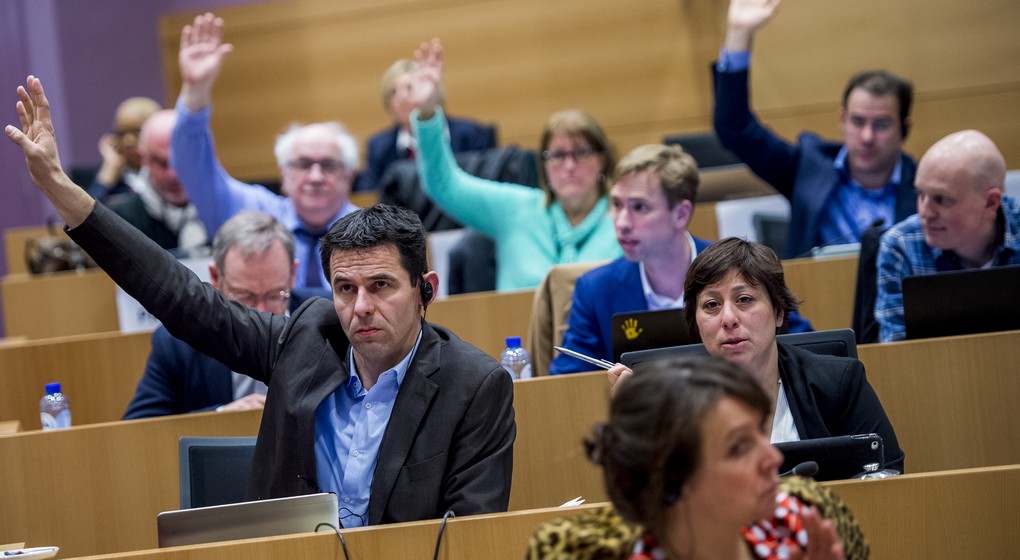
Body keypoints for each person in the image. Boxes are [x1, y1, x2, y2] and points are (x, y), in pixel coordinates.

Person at [7, 74, 515, 527]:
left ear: (426, 289)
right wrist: (59, 187)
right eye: (345, 288)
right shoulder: (308, 340)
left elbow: (471, 535)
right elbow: (177, 293)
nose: (360, 306)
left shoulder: (474, 385)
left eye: (380, 286)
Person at [609, 237, 904, 472]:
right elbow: (646, 500)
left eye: (744, 299)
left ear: (778, 312)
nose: (728, 318)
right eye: (711, 305)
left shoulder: (839, 384)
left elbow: (887, 473)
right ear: (696, 323)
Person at [557, 355, 863, 559]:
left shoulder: (802, 520)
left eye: (760, 431)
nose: (772, 457)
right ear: (673, 479)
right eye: (738, 448)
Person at [550, 145, 813, 374]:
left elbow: (805, 349)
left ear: (681, 214)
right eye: (618, 205)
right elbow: (570, 382)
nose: (622, 223)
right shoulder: (595, 289)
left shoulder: (743, 268)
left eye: (639, 207)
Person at [410, 38, 622, 291]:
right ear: (544, 164)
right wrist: (427, 111)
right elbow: (444, 184)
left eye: (581, 153)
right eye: (557, 155)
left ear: (602, 160)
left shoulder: (625, 222)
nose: (569, 165)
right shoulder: (517, 210)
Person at [712, 0, 916, 258]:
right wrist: (738, 33)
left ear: (904, 127)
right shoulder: (809, 168)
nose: (867, 137)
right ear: (842, 119)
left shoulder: (924, 187)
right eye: (857, 121)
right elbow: (734, 128)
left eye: (881, 124)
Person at [172, 12, 358, 290]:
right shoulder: (252, 215)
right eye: (303, 164)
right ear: (283, 173)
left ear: (349, 176)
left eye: (329, 165)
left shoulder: (371, 233)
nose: (316, 176)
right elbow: (194, 168)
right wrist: (196, 92)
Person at [123, 211, 297, 419]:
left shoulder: (326, 323)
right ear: (215, 277)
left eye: (275, 295)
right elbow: (140, 427)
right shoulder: (178, 342)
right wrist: (220, 417)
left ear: (293, 275)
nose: (261, 313)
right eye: (245, 296)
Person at [875, 130, 1020, 342]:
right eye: (920, 194)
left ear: (990, 202)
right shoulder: (901, 246)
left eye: (942, 200)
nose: (925, 213)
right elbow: (898, 352)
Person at [353, 57, 496, 192]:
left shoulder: (470, 135)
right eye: (393, 92)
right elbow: (370, 196)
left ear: (432, 92)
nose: (402, 97)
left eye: (410, 88)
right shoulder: (379, 147)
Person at [104, 109, 209, 257]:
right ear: (144, 159)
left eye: (182, 162)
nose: (173, 175)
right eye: (162, 163)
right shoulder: (123, 219)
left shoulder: (224, 206)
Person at [84, 96, 161, 202]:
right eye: (121, 133)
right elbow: (86, 212)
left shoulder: (171, 173)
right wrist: (110, 170)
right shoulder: (108, 176)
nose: (128, 141)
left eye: (137, 131)